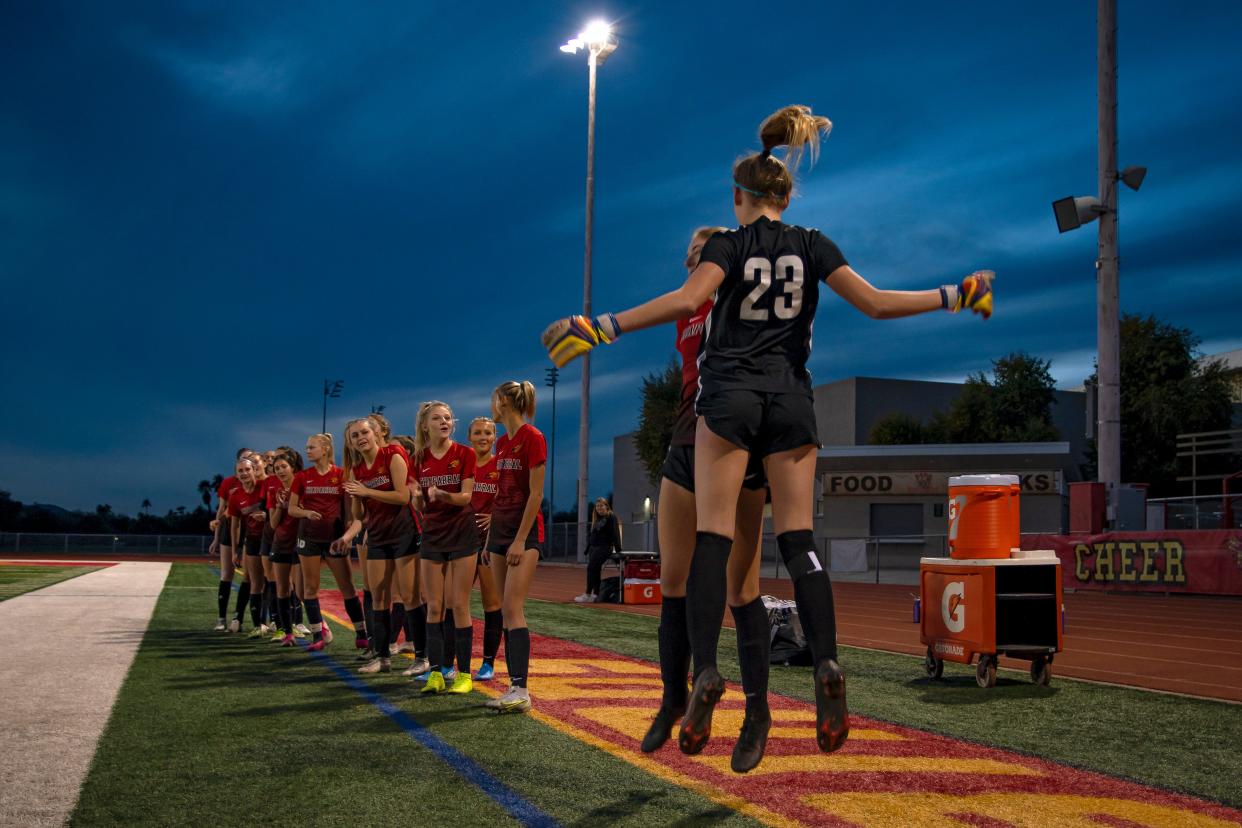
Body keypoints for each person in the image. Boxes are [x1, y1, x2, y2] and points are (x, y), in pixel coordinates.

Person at [542, 104, 993, 760]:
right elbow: (875, 302)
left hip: (728, 404)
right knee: (800, 539)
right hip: (791, 401)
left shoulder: (727, 245)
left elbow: (686, 300)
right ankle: (828, 666)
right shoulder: (813, 243)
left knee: (712, 542)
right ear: (786, 193)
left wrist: (602, 326)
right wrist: (956, 293)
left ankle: (705, 674)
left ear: (739, 197)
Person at [634, 226, 772, 772]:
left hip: (739, 445)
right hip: (688, 439)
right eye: (688, 252)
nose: (693, 257)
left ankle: (757, 714)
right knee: (674, 580)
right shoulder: (684, 309)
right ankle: (675, 696)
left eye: (703, 251)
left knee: (741, 587)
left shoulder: (747, 298)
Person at [483, 381, 547, 713]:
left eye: (494, 400)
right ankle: (513, 686)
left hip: (523, 534)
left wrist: (521, 539)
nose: (491, 405)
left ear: (506, 402)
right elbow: (500, 493)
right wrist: (491, 535)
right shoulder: (503, 442)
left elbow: (535, 494)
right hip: (498, 532)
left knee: (512, 608)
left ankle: (521, 691)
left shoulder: (532, 437)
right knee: (503, 611)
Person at [334, 416, 416, 674]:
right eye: (354, 436)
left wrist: (367, 491)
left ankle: (423, 657)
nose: (360, 438)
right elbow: (359, 515)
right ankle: (381, 658)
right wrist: (356, 495)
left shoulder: (393, 453)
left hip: (403, 532)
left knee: (409, 596)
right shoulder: (357, 469)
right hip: (378, 535)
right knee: (378, 597)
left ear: (376, 433)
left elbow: (403, 496)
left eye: (363, 432)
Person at [410, 402, 478, 695]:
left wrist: (442, 495)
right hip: (433, 536)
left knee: (459, 605)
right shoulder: (417, 459)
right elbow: (418, 504)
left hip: (462, 534)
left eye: (448, 417)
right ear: (425, 425)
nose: (444, 422)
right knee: (434, 606)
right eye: (436, 418)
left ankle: (464, 674)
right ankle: (435, 672)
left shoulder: (465, 453)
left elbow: (465, 498)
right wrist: (417, 497)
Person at [289, 433, 363, 651]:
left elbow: (351, 514)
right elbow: (292, 509)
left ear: (325, 449)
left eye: (311, 447)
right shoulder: (302, 477)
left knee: (347, 587)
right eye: (307, 447)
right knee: (310, 589)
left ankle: (361, 633)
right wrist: (306, 512)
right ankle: (317, 636)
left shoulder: (341, 475)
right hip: (309, 539)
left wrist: (347, 536)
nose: (308, 451)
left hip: (335, 540)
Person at [467, 416, 504, 681]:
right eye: (477, 432)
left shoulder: (499, 466)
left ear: (494, 437)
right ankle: (450, 661)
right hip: (462, 541)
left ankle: (488, 663)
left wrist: (496, 516)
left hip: (489, 543)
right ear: (469, 436)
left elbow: (514, 498)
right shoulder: (461, 463)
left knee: (491, 603)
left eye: (487, 433)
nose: (482, 437)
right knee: (453, 601)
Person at [210, 447, 250, 631]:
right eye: (242, 460)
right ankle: (221, 619)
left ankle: (238, 619)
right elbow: (221, 511)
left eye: (249, 460)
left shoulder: (260, 483)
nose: (245, 465)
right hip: (229, 529)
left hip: (250, 531)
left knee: (250, 577)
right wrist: (216, 537)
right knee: (227, 574)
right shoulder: (228, 483)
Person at [227, 456, 267, 634]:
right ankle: (257, 625)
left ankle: (278, 622)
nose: (244, 473)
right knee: (255, 582)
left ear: (254, 470)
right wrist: (235, 550)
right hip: (252, 541)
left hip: (270, 540)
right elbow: (235, 525)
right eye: (240, 471)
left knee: (274, 581)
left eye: (247, 470)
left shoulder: (264, 487)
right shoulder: (235, 496)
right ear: (236, 474)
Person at [268, 451, 304, 646]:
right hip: (281, 542)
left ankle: (320, 627)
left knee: (302, 589)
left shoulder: (303, 487)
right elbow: (273, 524)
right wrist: (281, 507)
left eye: (283, 467)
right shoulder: (277, 491)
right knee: (282, 588)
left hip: (300, 543)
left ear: (292, 468)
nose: (280, 471)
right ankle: (288, 633)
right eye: (276, 468)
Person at [574, 498, 622, 603]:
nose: (599, 508)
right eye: (597, 506)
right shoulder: (597, 519)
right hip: (594, 548)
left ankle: (587, 594)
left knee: (591, 568)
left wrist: (619, 550)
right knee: (595, 570)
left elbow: (615, 534)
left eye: (601, 505)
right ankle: (595, 595)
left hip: (604, 548)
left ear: (606, 506)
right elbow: (593, 535)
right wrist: (587, 549)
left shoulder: (611, 517)